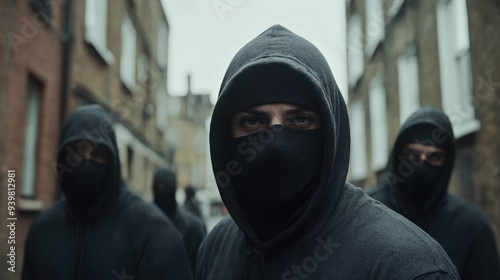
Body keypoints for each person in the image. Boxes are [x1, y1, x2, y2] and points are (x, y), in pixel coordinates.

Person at [195, 24, 460, 279]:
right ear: (224, 137)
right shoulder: (215, 248)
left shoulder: (406, 267)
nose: (274, 143)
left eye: (299, 120)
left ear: (330, 133)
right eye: (253, 121)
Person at [22, 104, 192, 280]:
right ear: (63, 159)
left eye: (98, 154)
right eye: (77, 155)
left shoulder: (155, 233)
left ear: (112, 162)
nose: (86, 163)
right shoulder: (43, 230)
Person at [369, 107, 500, 280]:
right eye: (413, 154)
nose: (422, 165)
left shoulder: (472, 227)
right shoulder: (368, 214)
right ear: (398, 154)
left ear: (447, 163)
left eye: (434, 157)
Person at [153, 167, 207, 273]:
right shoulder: (144, 223)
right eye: (158, 187)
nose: (162, 191)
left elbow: (201, 266)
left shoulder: (192, 226)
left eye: (166, 187)